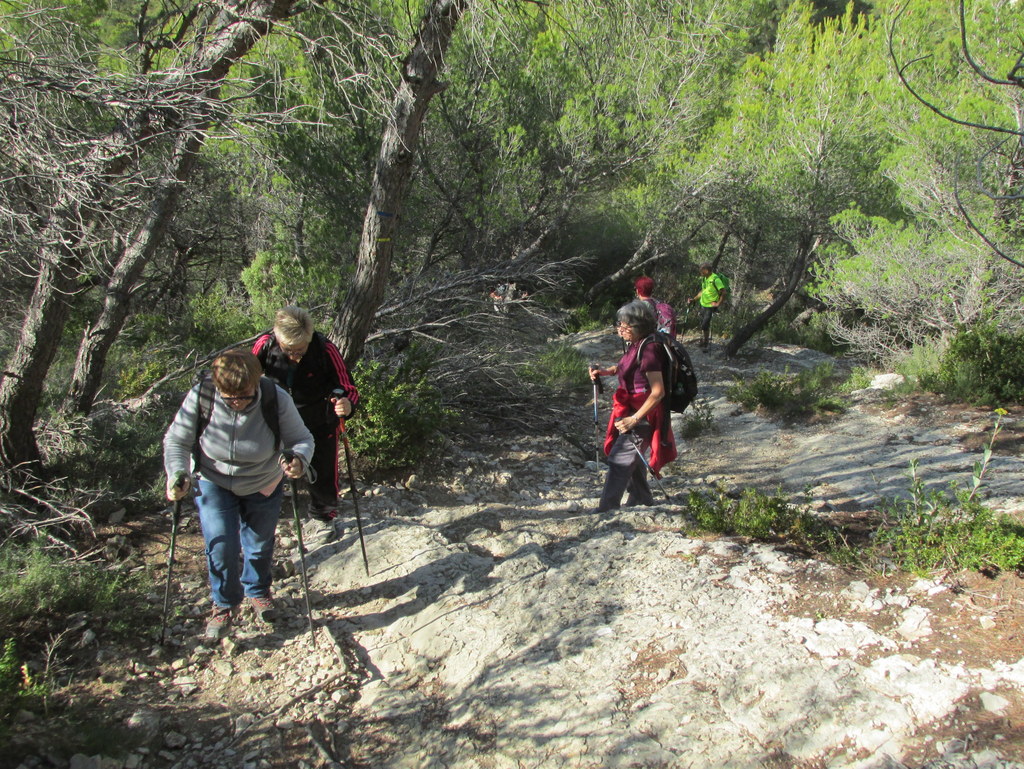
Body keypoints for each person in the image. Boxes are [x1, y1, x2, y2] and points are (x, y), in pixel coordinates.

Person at [163, 349, 314, 640]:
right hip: (213, 481)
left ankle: (257, 592)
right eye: (228, 395)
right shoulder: (201, 396)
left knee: (258, 545)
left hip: (264, 480)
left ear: (256, 383)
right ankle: (224, 603)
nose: (235, 402)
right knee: (221, 545)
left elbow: (302, 439)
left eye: (243, 395)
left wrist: (298, 460)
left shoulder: (275, 397)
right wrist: (177, 473)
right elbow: (177, 441)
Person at [252, 306, 359, 530]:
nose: (295, 357)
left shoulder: (324, 349)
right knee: (269, 466)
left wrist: (346, 404)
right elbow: (247, 376)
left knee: (322, 469)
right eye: (289, 350)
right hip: (277, 418)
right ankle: (264, 515)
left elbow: (347, 386)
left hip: (319, 419)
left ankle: (323, 518)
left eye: (300, 351)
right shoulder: (266, 345)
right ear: (277, 337)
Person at [588, 300, 677, 513]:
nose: (620, 328)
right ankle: (641, 498)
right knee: (631, 455)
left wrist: (634, 419)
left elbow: (658, 392)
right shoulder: (638, 344)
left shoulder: (650, 349)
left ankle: (606, 509)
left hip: (643, 414)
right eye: (619, 323)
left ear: (638, 325)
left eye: (624, 324)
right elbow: (626, 367)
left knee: (619, 459)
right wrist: (606, 372)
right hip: (631, 409)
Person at [686, 263, 728, 350]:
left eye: (702, 271)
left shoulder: (715, 279)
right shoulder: (705, 279)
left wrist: (718, 304)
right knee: (703, 323)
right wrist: (694, 299)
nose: (700, 272)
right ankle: (704, 340)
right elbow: (703, 291)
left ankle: (706, 342)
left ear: (707, 270)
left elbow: (723, 292)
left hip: (710, 305)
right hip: (703, 304)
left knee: (705, 324)